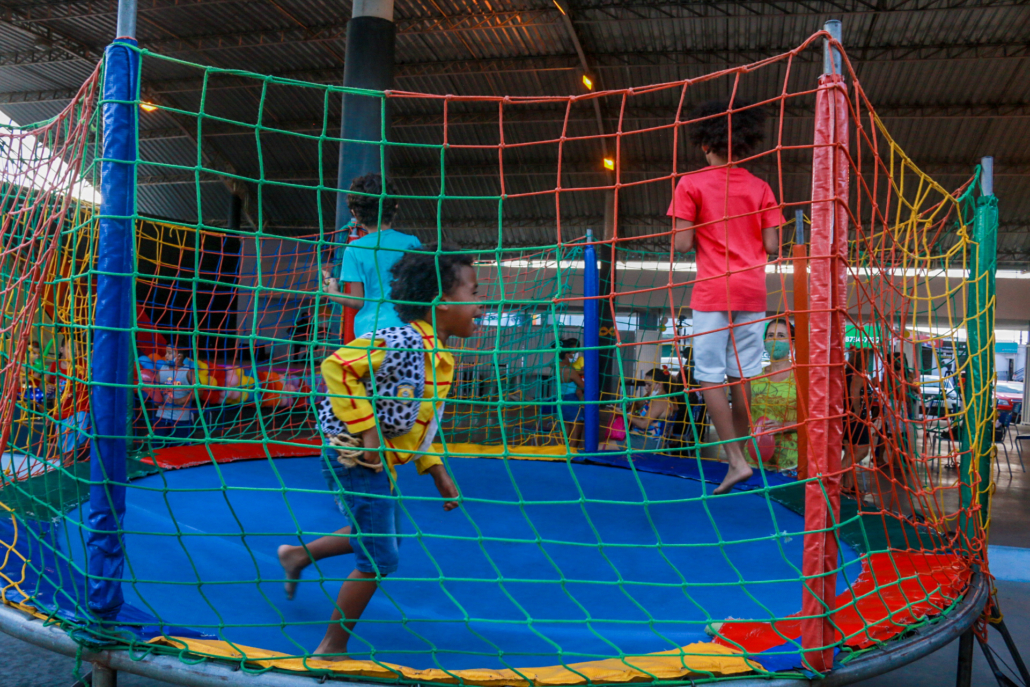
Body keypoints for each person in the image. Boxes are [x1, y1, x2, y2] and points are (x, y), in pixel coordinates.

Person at [277, 242, 482, 659]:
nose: (481, 304)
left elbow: (417, 423)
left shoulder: (439, 356)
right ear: (441, 303)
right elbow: (337, 366)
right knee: (380, 556)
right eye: (474, 293)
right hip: (352, 454)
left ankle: (298, 555)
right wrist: (368, 433)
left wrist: (435, 467)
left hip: (377, 460)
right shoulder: (401, 340)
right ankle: (331, 645)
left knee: (381, 532)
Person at [668, 98, 783, 494]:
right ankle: (742, 456)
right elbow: (771, 245)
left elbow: (682, 242)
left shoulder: (691, 183)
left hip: (714, 290)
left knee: (708, 376)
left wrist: (707, 225)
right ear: (744, 145)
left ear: (705, 144)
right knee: (742, 373)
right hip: (752, 293)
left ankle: (733, 459)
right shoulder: (761, 187)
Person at [322, 174, 422, 339]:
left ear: (354, 212)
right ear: (395, 206)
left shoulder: (354, 249)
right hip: (408, 331)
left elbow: (357, 301)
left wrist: (331, 291)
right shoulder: (411, 243)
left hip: (370, 333)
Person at [749, 318, 799, 471]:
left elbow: (814, 419)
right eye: (770, 335)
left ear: (792, 343)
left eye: (781, 335)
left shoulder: (801, 377)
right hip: (754, 459)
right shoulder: (754, 378)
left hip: (790, 462)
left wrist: (784, 426)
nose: (774, 339)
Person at [603, 369, 677, 453]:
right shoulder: (655, 398)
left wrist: (623, 413)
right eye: (645, 384)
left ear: (659, 384)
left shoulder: (659, 400)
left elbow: (643, 424)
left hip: (646, 441)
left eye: (649, 385)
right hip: (640, 438)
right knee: (606, 443)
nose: (646, 387)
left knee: (600, 447)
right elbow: (638, 405)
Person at [48, 336, 91, 464]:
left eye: (77, 349)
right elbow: (46, 384)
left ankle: (69, 463)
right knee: (65, 444)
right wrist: (48, 387)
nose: (74, 351)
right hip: (61, 411)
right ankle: (68, 466)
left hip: (80, 408)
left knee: (79, 431)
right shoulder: (55, 366)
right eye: (69, 348)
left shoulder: (83, 366)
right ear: (61, 349)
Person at [842, 347, 874, 494]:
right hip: (856, 419)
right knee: (861, 452)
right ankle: (835, 478)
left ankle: (847, 486)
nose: (868, 362)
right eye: (867, 359)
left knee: (850, 453)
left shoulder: (846, 373)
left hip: (845, 418)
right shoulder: (857, 375)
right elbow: (854, 395)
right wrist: (855, 413)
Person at [153, 339, 196, 446]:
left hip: (181, 419)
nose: (166, 356)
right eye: (166, 353)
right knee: (158, 447)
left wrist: (178, 401)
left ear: (180, 356)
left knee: (178, 450)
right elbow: (154, 387)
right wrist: (156, 398)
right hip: (161, 417)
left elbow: (198, 392)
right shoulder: (163, 369)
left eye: (169, 353)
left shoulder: (188, 372)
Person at [556, 338, 585, 447]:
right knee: (575, 432)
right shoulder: (570, 371)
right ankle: (571, 455)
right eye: (573, 353)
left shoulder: (557, 367)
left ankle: (562, 454)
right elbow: (583, 386)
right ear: (567, 355)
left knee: (566, 431)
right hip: (572, 400)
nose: (574, 356)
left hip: (561, 400)